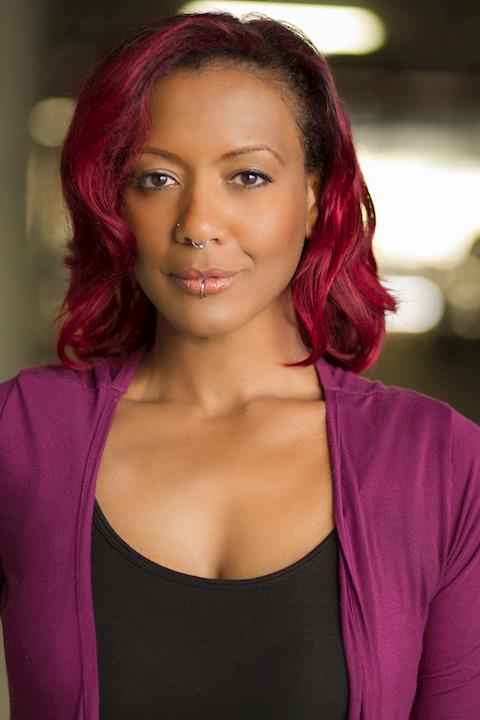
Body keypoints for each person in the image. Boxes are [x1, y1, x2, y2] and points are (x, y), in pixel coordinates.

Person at [0, 10, 479, 720]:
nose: (198, 223)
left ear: (314, 198)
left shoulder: (442, 464)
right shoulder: (21, 436)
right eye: (156, 178)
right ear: (115, 203)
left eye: (248, 176)